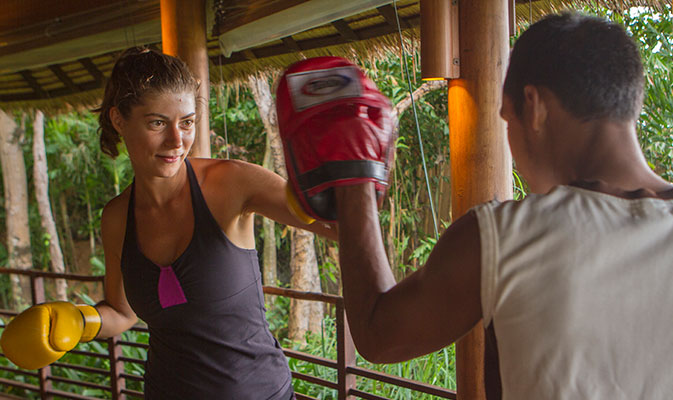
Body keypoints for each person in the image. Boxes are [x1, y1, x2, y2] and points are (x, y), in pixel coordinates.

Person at [282, 13, 673, 399]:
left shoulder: (502, 237)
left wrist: (354, 179)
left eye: (507, 119)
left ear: (533, 106)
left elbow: (377, 333)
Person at [1, 47, 336, 399]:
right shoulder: (117, 217)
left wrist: (336, 176)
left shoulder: (232, 184)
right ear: (119, 120)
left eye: (187, 122)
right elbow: (121, 312)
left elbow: (332, 224)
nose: (177, 141)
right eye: (157, 123)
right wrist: (77, 322)